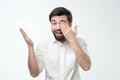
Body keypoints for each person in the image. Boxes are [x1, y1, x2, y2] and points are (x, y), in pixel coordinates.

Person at [20, 7, 91, 80]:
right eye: (54, 23)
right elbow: (34, 73)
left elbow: (86, 67)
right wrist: (30, 46)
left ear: (69, 25)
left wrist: (73, 40)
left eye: (62, 23)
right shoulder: (43, 44)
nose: (58, 27)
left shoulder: (79, 42)